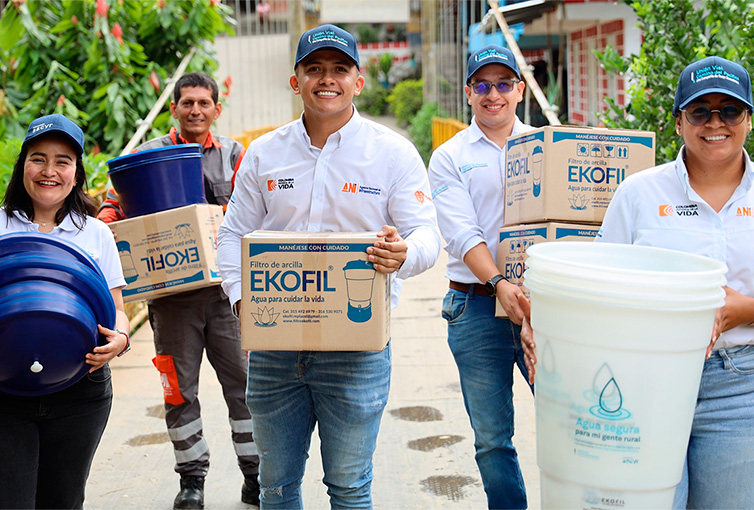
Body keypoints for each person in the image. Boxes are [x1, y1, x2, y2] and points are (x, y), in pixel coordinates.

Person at [217, 24, 441, 509]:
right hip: (275, 348)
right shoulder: (264, 154)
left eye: (340, 69)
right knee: (276, 487)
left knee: (349, 487)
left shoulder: (392, 153)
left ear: (358, 81)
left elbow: (427, 234)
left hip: (357, 348)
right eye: (314, 68)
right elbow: (233, 233)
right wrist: (241, 300)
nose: (326, 79)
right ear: (295, 80)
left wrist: (404, 253)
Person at [522, 56, 754, 509]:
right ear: (678, 122)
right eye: (699, 112)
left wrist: (741, 310)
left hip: (738, 388)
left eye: (730, 110)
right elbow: (598, 285)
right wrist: (544, 322)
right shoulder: (640, 193)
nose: (715, 123)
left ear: (748, 119)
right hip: (644, 381)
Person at [97, 73, 259, 510]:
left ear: (217, 109)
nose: (195, 111)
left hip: (227, 298)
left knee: (245, 388)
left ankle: (255, 476)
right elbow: (113, 206)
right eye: (187, 102)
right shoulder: (146, 157)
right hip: (170, 303)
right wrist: (108, 229)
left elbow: (256, 207)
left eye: (204, 103)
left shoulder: (235, 155)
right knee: (178, 392)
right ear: (174, 108)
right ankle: (192, 481)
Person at [0, 114, 130, 509]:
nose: (49, 171)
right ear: (23, 165)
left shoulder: (95, 232)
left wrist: (121, 339)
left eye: (63, 161)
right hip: (5, 390)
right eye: (38, 159)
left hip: (80, 391)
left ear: (76, 173)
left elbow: (118, 310)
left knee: (63, 501)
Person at [427, 45, 534, 510]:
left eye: (503, 84)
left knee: (571, 420)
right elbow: (461, 233)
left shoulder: (546, 146)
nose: (494, 94)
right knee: (493, 438)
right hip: (475, 307)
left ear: (520, 90)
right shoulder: (449, 156)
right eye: (483, 85)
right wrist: (499, 284)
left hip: (542, 305)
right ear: (469, 93)